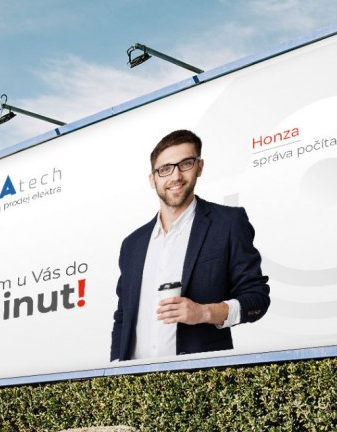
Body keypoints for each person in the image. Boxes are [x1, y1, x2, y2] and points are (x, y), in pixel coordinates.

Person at [111, 129, 270, 361]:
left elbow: (257, 299)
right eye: (165, 169)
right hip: (134, 377)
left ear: (199, 167)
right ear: (153, 179)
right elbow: (123, 316)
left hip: (199, 376)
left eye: (185, 164)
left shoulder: (228, 224)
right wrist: (116, 368)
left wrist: (204, 312)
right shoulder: (132, 245)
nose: (175, 176)